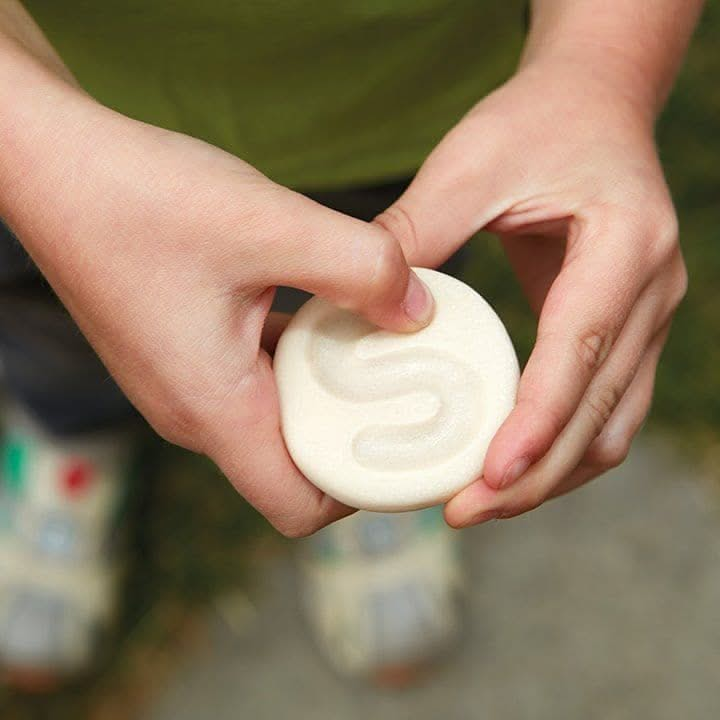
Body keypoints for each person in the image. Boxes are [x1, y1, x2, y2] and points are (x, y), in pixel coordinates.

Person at [0, 0, 701, 687]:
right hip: (66, 109)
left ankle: (379, 490)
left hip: (408, 108)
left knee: (393, 297)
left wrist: (599, 64)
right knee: (56, 321)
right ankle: (72, 439)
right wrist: (33, 152)